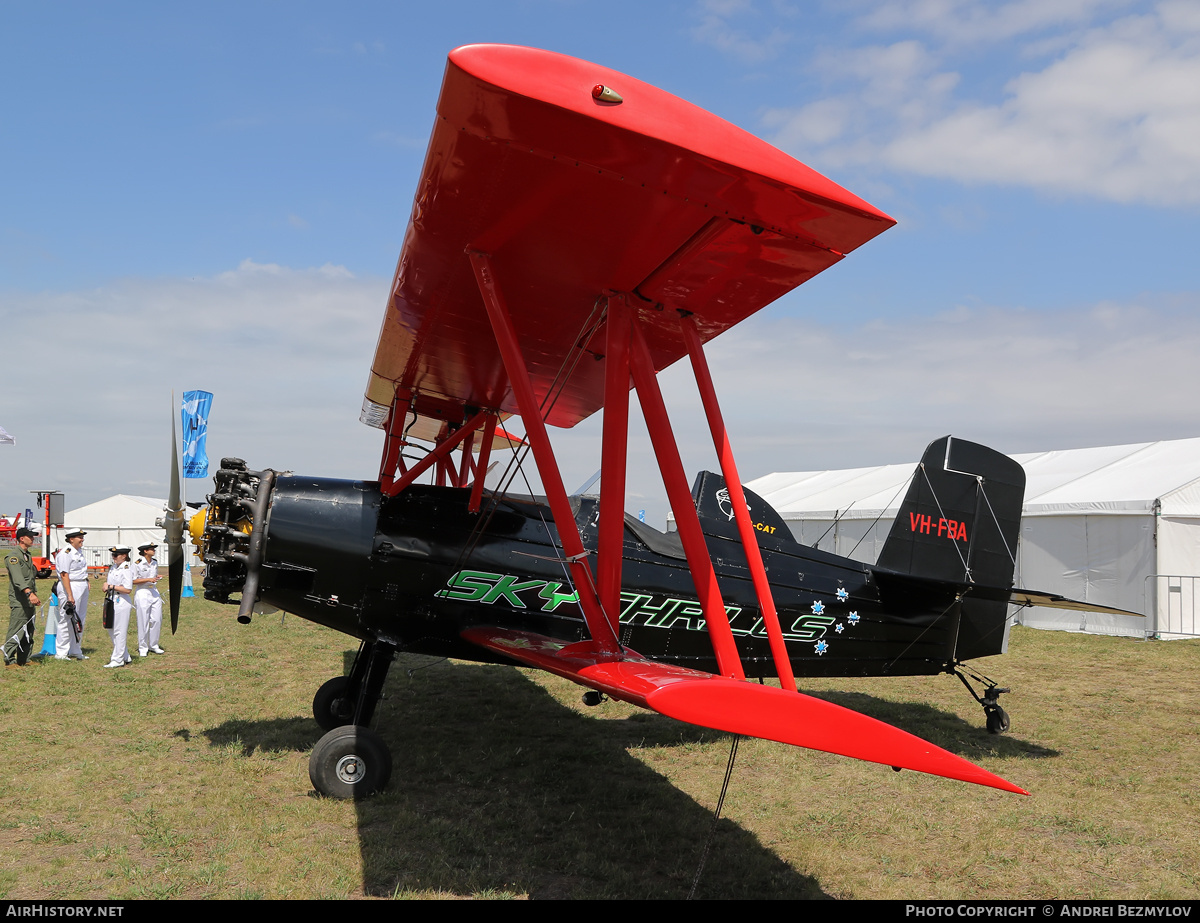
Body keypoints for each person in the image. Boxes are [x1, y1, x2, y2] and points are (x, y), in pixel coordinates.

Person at [4, 528, 41, 667]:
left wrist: (33, 593)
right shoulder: (13, 557)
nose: (33, 539)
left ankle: (24, 658)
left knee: (28, 629)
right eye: (30, 536)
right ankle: (9, 659)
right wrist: (29, 593)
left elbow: (30, 578)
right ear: (21, 539)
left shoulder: (27, 555)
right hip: (20, 599)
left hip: (29, 598)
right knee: (17, 628)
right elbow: (18, 579)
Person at [54, 529, 89, 660]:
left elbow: (81, 570)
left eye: (82, 537)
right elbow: (64, 574)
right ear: (71, 539)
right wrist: (69, 594)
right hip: (70, 585)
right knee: (67, 618)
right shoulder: (66, 553)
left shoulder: (78, 552)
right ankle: (61, 652)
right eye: (79, 537)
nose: (82, 539)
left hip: (81, 584)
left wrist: (86, 581)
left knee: (80, 618)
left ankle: (75, 649)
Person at [102, 546, 134, 668]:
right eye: (113, 555)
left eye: (116, 555)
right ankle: (124, 655)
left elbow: (127, 589)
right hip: (112, 598)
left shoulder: (126, 568)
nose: (114, 558)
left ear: (124, 556)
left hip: (121, 600)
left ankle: (118, 659)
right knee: (111, 628)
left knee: (119, 630)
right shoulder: (114, 567)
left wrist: (111, 586)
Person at [132, 543, 165, 656]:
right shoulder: (137, 563)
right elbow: (133, 580)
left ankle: (153, 645)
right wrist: (148, 579)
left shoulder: (154, 562)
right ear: (145, 551)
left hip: (153, 590)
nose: (153, 550)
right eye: (151, 549)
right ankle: (143, 647)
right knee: (143, 620)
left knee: (156, 619)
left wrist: (156, 578)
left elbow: (153, 576)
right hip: (142, 591)